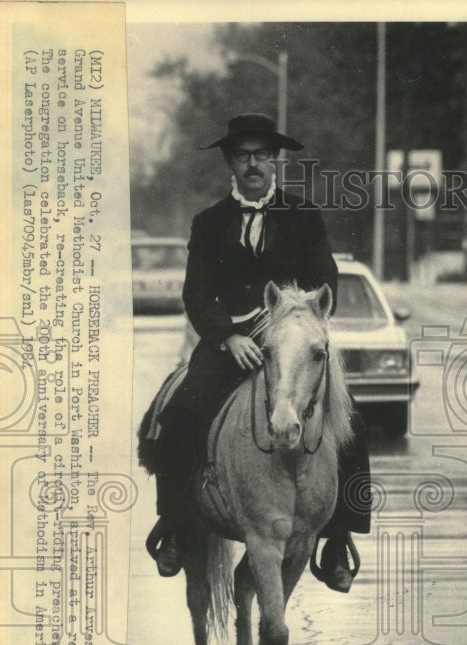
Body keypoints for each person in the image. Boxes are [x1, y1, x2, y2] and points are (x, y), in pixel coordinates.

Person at [144, 112, 370, 592]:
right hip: (231, 347)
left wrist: (300, 318)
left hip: (288, 342)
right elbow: (196, 293)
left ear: (276, 162)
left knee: (350, 426)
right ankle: (177, 527)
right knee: (180, 418)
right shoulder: (208, 223)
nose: (254, 164)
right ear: (230, 161)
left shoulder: (303, 216)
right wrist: (228, 336)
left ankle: (336, 538)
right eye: (244, 155)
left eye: (262, 155)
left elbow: (325, 277)